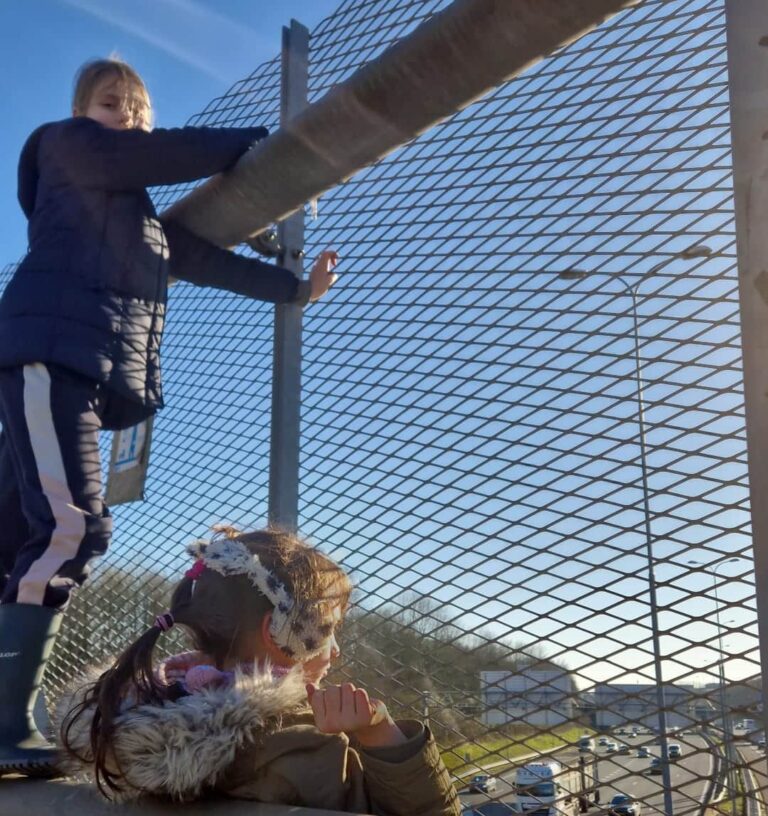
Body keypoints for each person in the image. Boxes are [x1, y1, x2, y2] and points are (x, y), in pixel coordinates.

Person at [0, 57, 338, 776]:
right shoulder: (65, 149)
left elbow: (210, 261)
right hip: (50, 357)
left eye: (138, 107)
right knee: (70, 528)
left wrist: (294, 289)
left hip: (77, 372)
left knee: (15, 532)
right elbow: (158, 154)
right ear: (82, 110)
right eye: (110, 103)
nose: (127, 115)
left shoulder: (142, 225)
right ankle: (3, 722)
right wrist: (268, 142)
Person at [56, 527, 461, 815]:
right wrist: (380, 736)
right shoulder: (299, 751)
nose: (335, 651)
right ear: (282, 633)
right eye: (330, 630)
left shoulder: (133, 719)